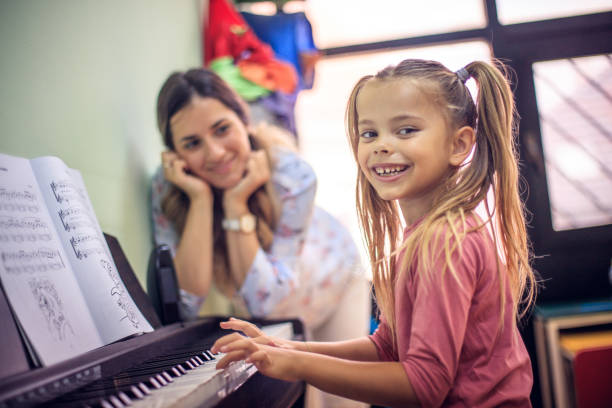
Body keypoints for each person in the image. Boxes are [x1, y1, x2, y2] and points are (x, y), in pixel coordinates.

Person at [210, 58, 538, 407]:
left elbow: (424, 384)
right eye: (370, 133)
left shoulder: (444, 242)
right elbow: (387, 347)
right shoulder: (424, 236)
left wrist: (297, 365)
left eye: (406, 130)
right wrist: (288, 348)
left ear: (459, 145)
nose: (381, 145)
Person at [151, 68, 370, 407]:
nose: (215, 153)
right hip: (272, 307)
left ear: (244, 120)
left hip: (334, 283)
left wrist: (237, 203)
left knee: (346, 401)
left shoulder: (291, 175)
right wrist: (201, 201)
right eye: (192, 143)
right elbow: (183, 303)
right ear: (175, 154)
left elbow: (265, 300)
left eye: (222, 129)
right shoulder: (170, 187)